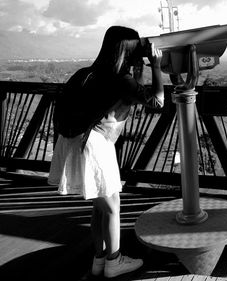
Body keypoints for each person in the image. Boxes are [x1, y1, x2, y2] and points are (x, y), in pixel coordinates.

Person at [48, 26, 164, 278]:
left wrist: (138, 70)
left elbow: (132, 93)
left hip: (72, 141)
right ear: (129, 50)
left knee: (99, 208)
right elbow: (157, 101)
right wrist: (156, 66)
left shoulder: (85, 74)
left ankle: (99, 260)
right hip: (94, 144)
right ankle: (114, 262)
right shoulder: (120, 80)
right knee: (112, 207)